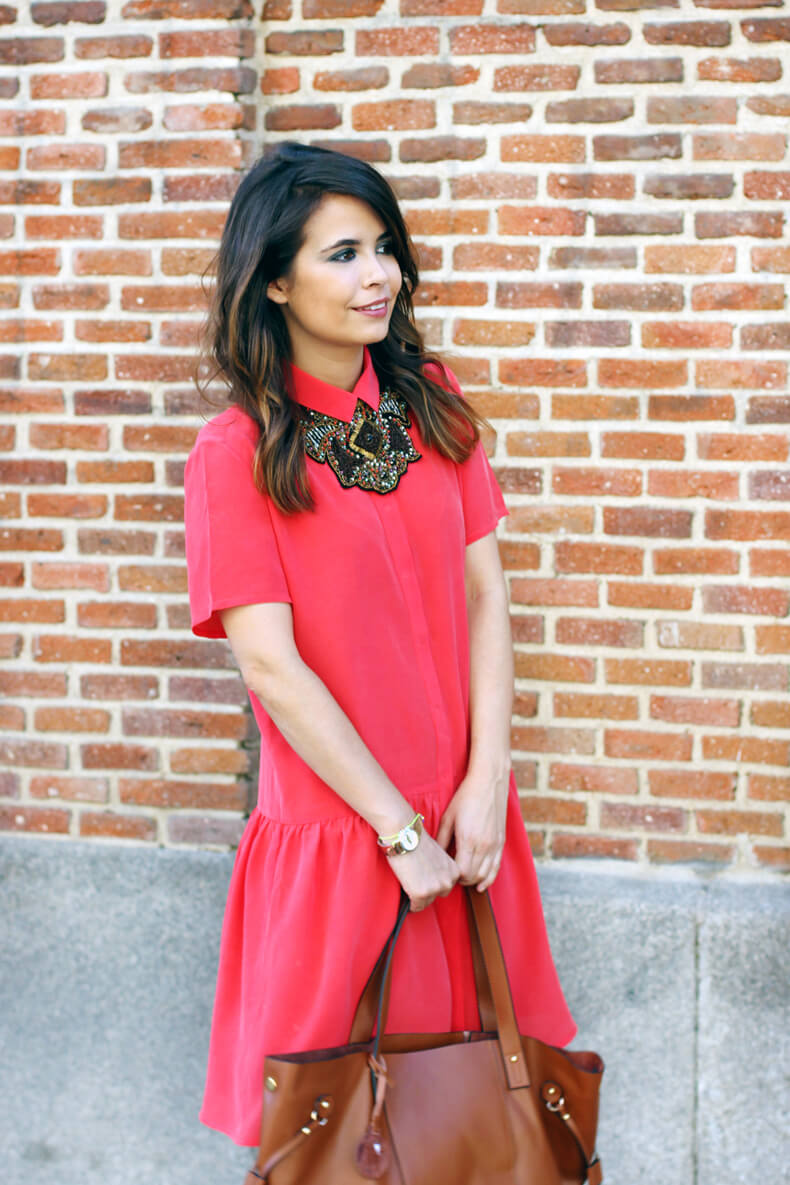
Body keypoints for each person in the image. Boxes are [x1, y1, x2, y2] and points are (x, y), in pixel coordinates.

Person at [183, 141, 576, 1149]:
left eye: (384, 247)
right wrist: (396, 834)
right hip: (348, 840)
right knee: (339, 1143)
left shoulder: (431, 402)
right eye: (343, 254)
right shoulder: (236, 452)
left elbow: (485, 594)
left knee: (480, 1132)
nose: (378, 275)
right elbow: (269, 663)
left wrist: (488, 780)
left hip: (468, 833)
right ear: (272, 279)